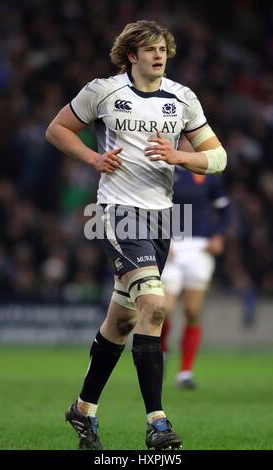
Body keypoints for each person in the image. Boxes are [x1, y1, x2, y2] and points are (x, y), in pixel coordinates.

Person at [45, 20, 227, 450]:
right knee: (154, 305)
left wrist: (179, 156)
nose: (158, 55)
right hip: (119, 214)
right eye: (149, 49)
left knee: (124, 319)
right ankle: (157, 423)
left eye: (162, 48)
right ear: (132, 55)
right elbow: (56, 129)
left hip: (164, 219)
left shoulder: (183, 99)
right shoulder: (103, 92)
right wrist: (92, 158)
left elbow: (217, 157)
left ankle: (83, 409)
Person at [161, 135, 230, 389]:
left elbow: (224, 208)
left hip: (200, 247)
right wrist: (162, 238)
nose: (191, 144)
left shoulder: (208, 174)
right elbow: (152, 207)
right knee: (165, 309)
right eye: (186, 140)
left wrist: (218, 236)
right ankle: (163, 349)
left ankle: (185, 372)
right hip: (172, 246)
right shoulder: (166, 169)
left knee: (192, 311)